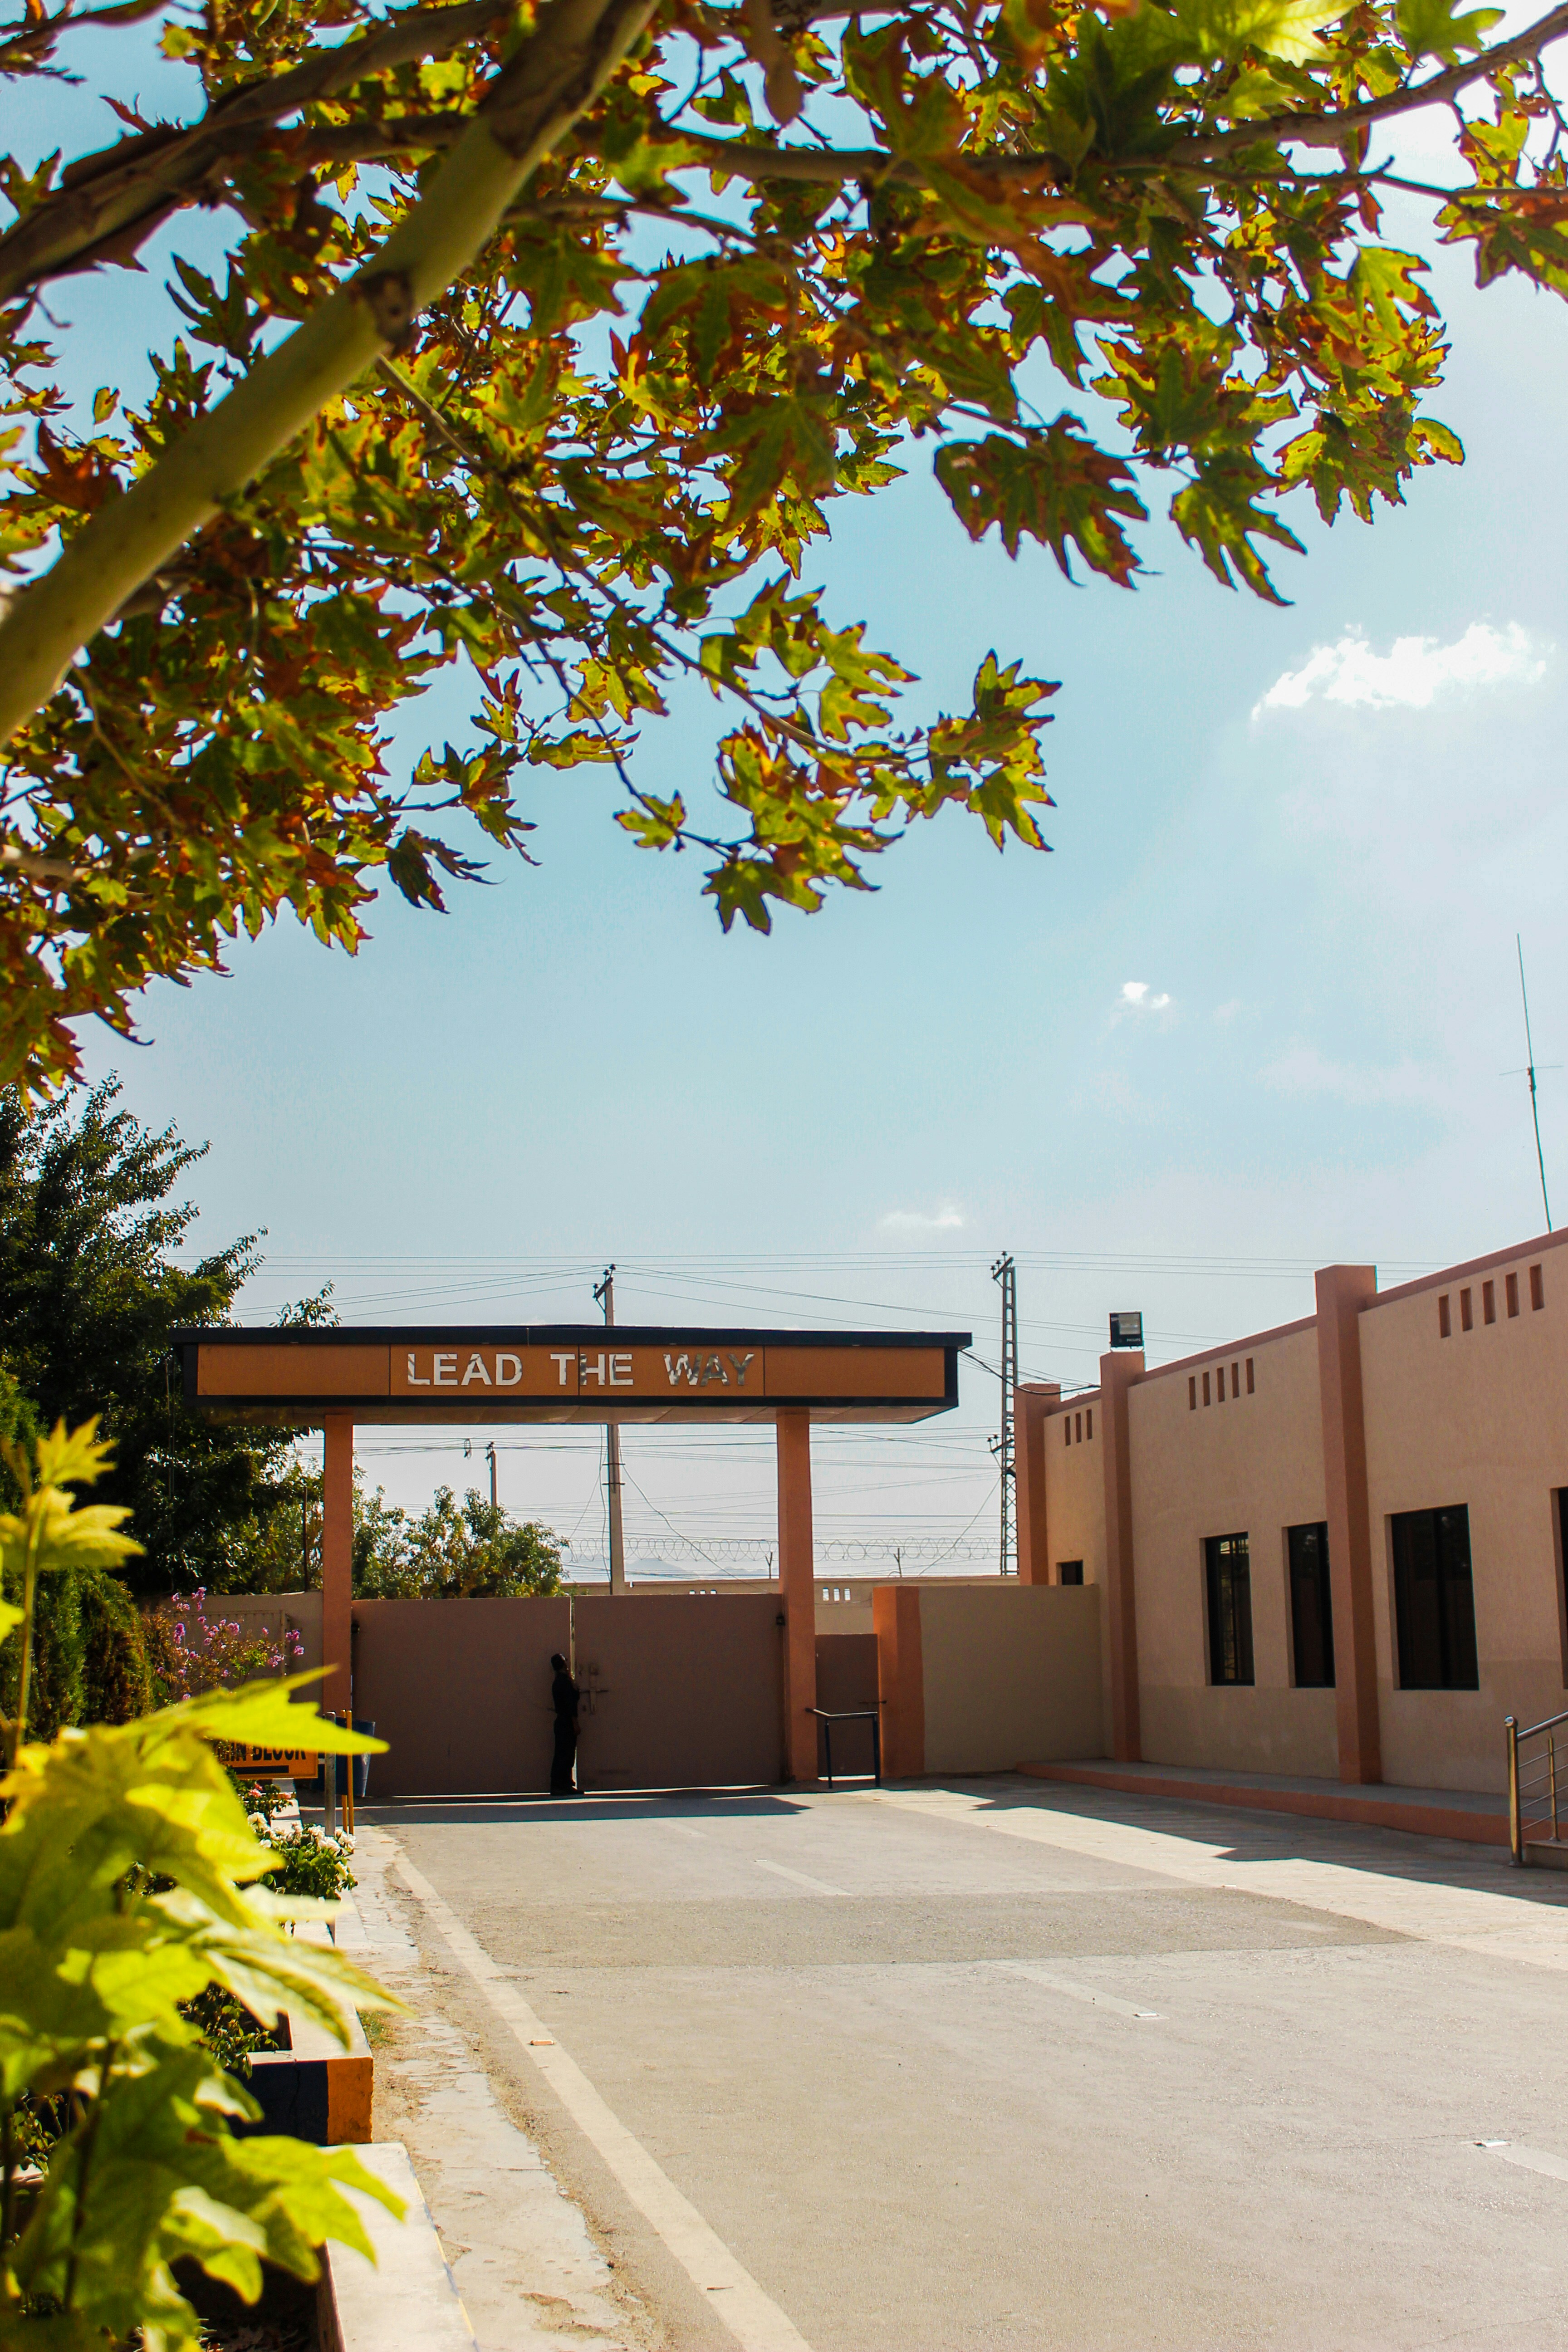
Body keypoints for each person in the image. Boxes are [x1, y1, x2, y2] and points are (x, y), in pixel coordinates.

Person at [549, 1651, 580, 1797]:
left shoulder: (557, 1683)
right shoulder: (566, 1682)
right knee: (566, 1755)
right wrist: (575, 1723)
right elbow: (571, 1705)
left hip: (561, 1721)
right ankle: (563, 1785)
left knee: (561, 1754)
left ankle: (561, 1784)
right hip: (567, 1722)